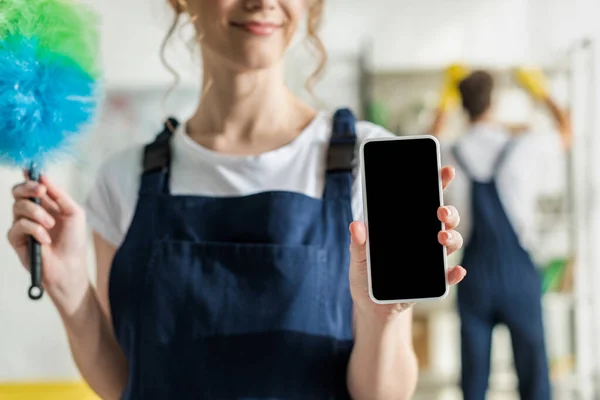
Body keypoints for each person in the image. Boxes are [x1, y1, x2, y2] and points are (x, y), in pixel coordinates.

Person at [7, 1, 467, 399]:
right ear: (181, 0)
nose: (262, 1)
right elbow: (126, 384)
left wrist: (380, 316)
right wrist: (70, 293)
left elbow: (382, 396)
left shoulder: (367, 165)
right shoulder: (122, 179)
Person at [429, 67, 572, 400]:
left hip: (473, 277)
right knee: (535, 378)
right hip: (519, 276)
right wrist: (541, 90)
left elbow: (424, 143)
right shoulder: (523, 146)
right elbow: (566, 131)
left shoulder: (450, 152)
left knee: (474, 383)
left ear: (461, 105)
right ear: (492, 103)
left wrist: (443, 101)